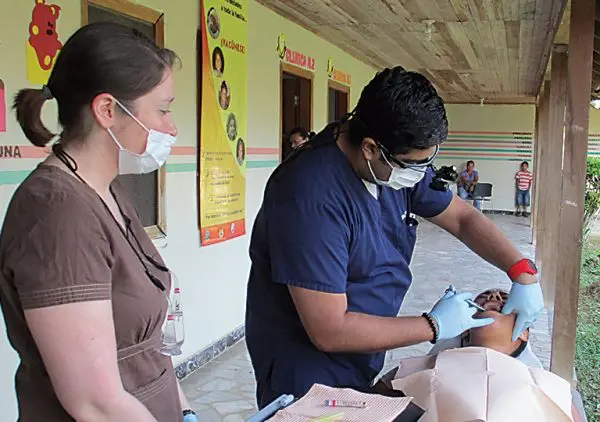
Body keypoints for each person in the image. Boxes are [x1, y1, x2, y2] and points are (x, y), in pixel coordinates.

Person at [245, 67, 544, 408]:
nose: (420, 173)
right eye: (414, 165)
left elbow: (461, 217)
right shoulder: (310, 196)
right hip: (308, 373)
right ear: (371, 148)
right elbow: (329, 329)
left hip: (361, 355)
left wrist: (521, 270)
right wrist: (433, 325)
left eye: (425, 162)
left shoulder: (395, 160)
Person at [0, 22, 197, 422]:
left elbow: (145, 347)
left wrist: (185, 409)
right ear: (108, 110)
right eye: (162, 109)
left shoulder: (107, 189)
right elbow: (95, 403)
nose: (171, 127)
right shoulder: (57, 212)